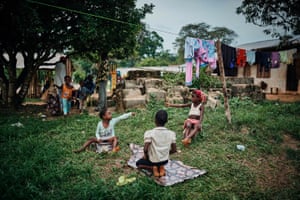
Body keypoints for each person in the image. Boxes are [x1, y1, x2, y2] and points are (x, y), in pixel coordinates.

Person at [136, 110, 177, 177]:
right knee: (160, 162)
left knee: (138, 164)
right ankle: (161, 167)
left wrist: (146, 156)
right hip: (164, 161)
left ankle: (153, 168)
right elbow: (174, 150)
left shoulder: (149, 133)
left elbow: (145, 149)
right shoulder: (172, 133)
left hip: (152, 161)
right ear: (166, 121)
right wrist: (165, 153)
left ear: (155, 120)